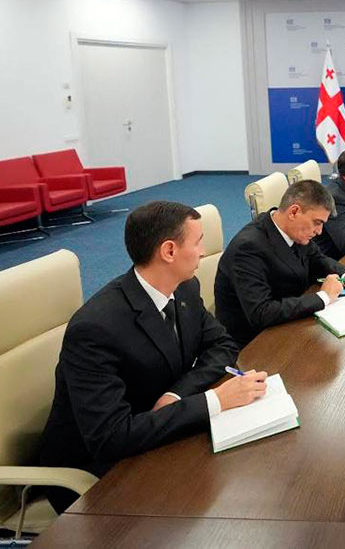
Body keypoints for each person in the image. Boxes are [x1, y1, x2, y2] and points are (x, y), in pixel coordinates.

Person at [39, 201, 266, 512]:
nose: (203, 252)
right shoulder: (95, 328)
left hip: (155, 432)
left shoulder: (185, 288)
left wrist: (177, 394)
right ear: (169, 251)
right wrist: (214, 401)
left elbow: (222, 345)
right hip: (100, 470)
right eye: (198, 242)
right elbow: (111, 438)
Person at [215, 180, 345, 346]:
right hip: (256, 343)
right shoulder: (248, 247)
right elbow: (261, 313)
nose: (319, 231)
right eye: (317, 222)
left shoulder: (291, 230)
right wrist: (323, 297)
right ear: (294, 212)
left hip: (289, 322)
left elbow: (317, 259)